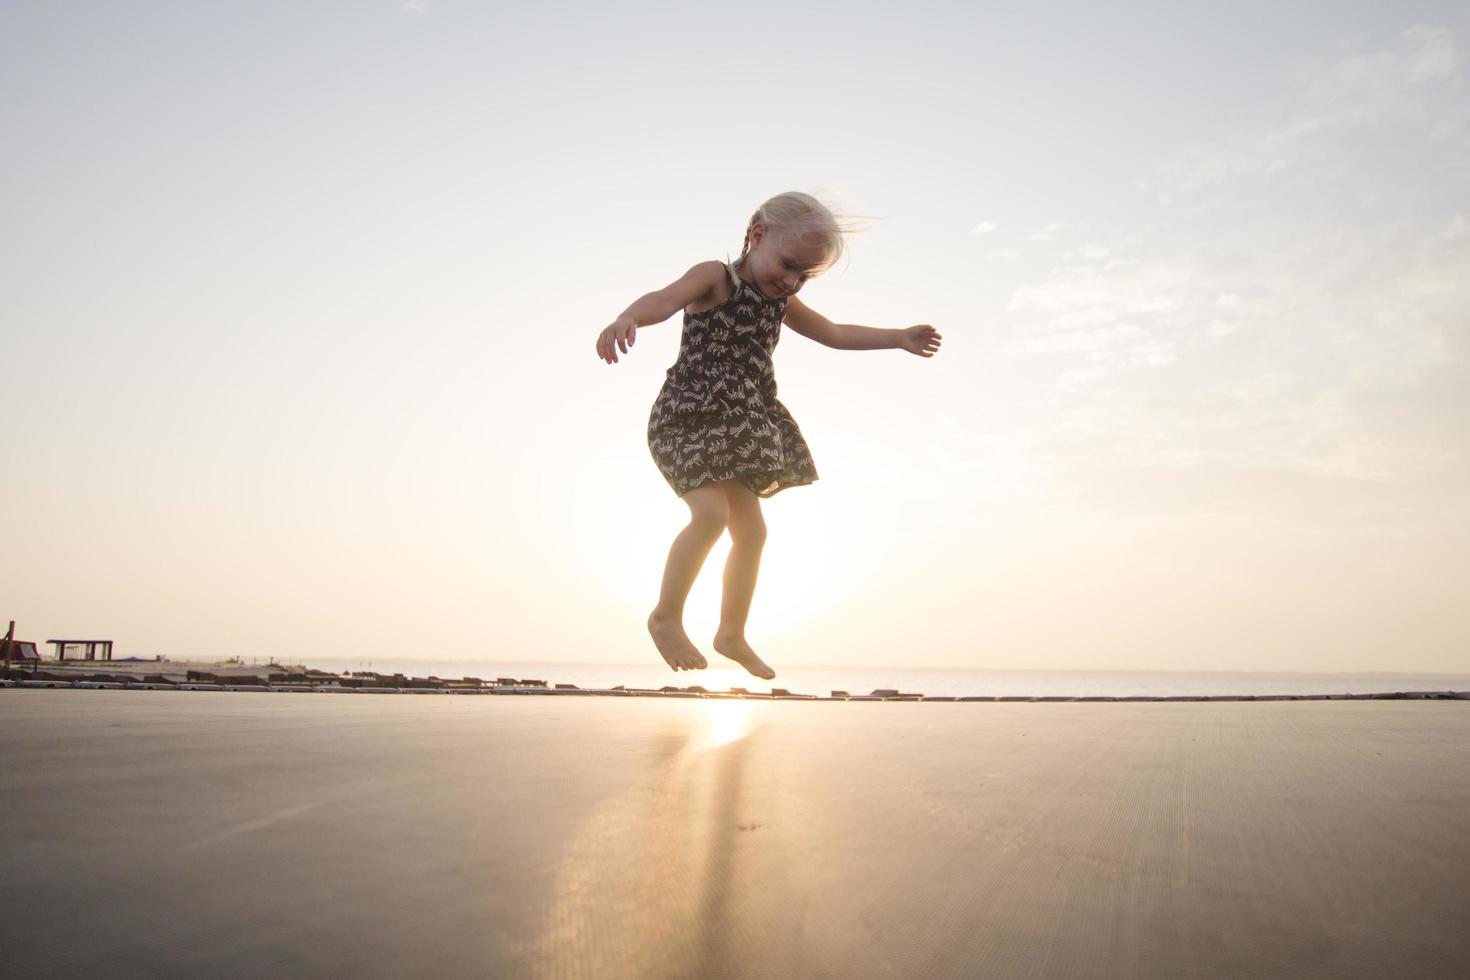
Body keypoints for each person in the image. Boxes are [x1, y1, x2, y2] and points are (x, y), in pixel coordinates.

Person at [595, 192, 942, 679]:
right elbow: (665, 299)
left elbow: (835, 333)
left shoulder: (781, 302)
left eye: (804, 275)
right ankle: (665, 617)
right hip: (688, 416)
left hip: (741, 426)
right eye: (788, 265)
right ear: (757, 235)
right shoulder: (717, 278)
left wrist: (898, 337)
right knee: (711, 513)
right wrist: (627, 317)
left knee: (753, 532)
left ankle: (731, 634)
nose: (792, 280)